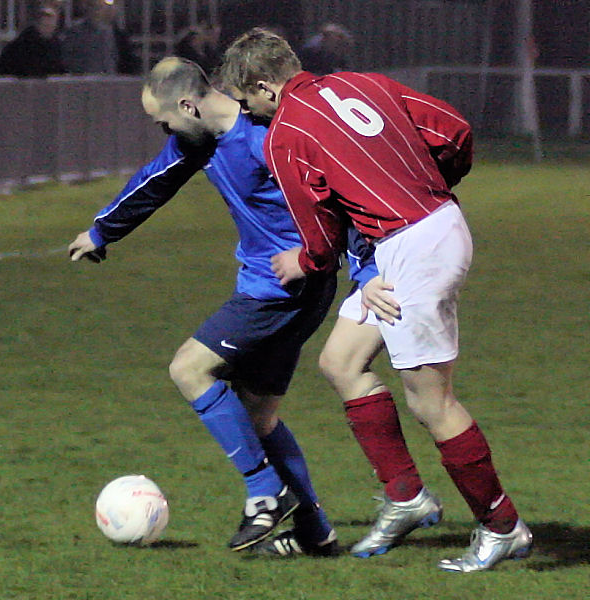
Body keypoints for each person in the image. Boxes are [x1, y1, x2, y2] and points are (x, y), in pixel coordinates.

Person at [219, 27, 533, 572]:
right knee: (340, 361)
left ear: (266, 87)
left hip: (413, 246)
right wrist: (422, 190)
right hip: (421, 233)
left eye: (248, 101)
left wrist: (306, 262)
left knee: (431, 401)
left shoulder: (285, 132)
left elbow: (317, 230)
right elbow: (453, 131)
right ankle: (406, 496)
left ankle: (502, 527)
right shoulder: (363, 83)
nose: (248, 115)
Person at [68, 57, 340, 555]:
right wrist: (103, 230)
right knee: (259, 416)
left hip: (280, 288)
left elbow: (337, 195)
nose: (164, 129)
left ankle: (264, 494)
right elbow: (157, 178)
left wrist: (347, 264)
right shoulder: (201, 139)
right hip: (286, 289)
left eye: (164, 120)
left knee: (189, 369)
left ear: (189, 104)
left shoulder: (266, 138)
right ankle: (315, 532)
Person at [61, 0, 140, 75]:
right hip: (82, 82)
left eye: (99, 7)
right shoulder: (75, 32)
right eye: (92, 6)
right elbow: (68, 59)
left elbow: (123, 61)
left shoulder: (116, 34)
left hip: (109, 82)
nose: (95, 11)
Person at [0, 5, 65, 78]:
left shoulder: (57, 46)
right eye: (45, 23)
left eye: (51, 22)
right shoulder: (21, 46)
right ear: (37, 23)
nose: (48, 24)